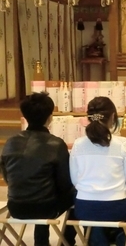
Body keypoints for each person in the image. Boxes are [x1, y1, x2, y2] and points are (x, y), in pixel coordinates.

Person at [70, 96, 126, 246]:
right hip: (115, 208)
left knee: (96, 212)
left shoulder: (78, 144)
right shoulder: (122, 144)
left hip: (84, 208)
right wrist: (116, 187)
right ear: (113, 117)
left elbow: (75, 180)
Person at [0, 92, 76, 246]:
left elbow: (7, 177)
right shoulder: (56, 144)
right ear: (50, 117)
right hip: (45, 208)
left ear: (25, 116)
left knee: (40, 193)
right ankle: (67, 242)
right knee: (78, 194)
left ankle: (41, 242)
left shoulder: (10, 142)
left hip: (16, 206)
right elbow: (65, 183)